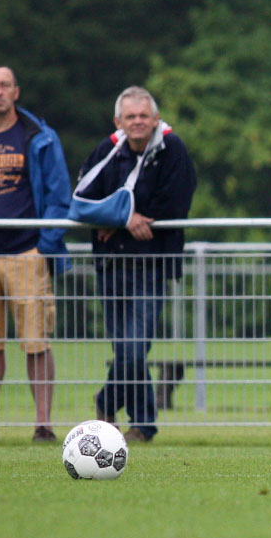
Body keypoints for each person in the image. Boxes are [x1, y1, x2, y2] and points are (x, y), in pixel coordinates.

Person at [74, 86, 196, 443]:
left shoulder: (173, 150)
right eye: (131, 117)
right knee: (127, 346)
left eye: (144, 116)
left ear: (156, 119)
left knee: (135, 343)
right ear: (118, 122)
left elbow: (177, 200)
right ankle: (143, 425)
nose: (138, 122)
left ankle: (106, 401)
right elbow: (82, 199)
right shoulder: (107, 150)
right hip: (111, 264)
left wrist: (142, 217)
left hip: (151, 263)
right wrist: (124, 218)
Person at [0, 65, 71, 443]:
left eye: (5, 85)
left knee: (36, 341)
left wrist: (44, 246)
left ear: (16, 92)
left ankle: (43, 423)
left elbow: (58, 194)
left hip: (26, 253)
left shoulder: (39, 137)